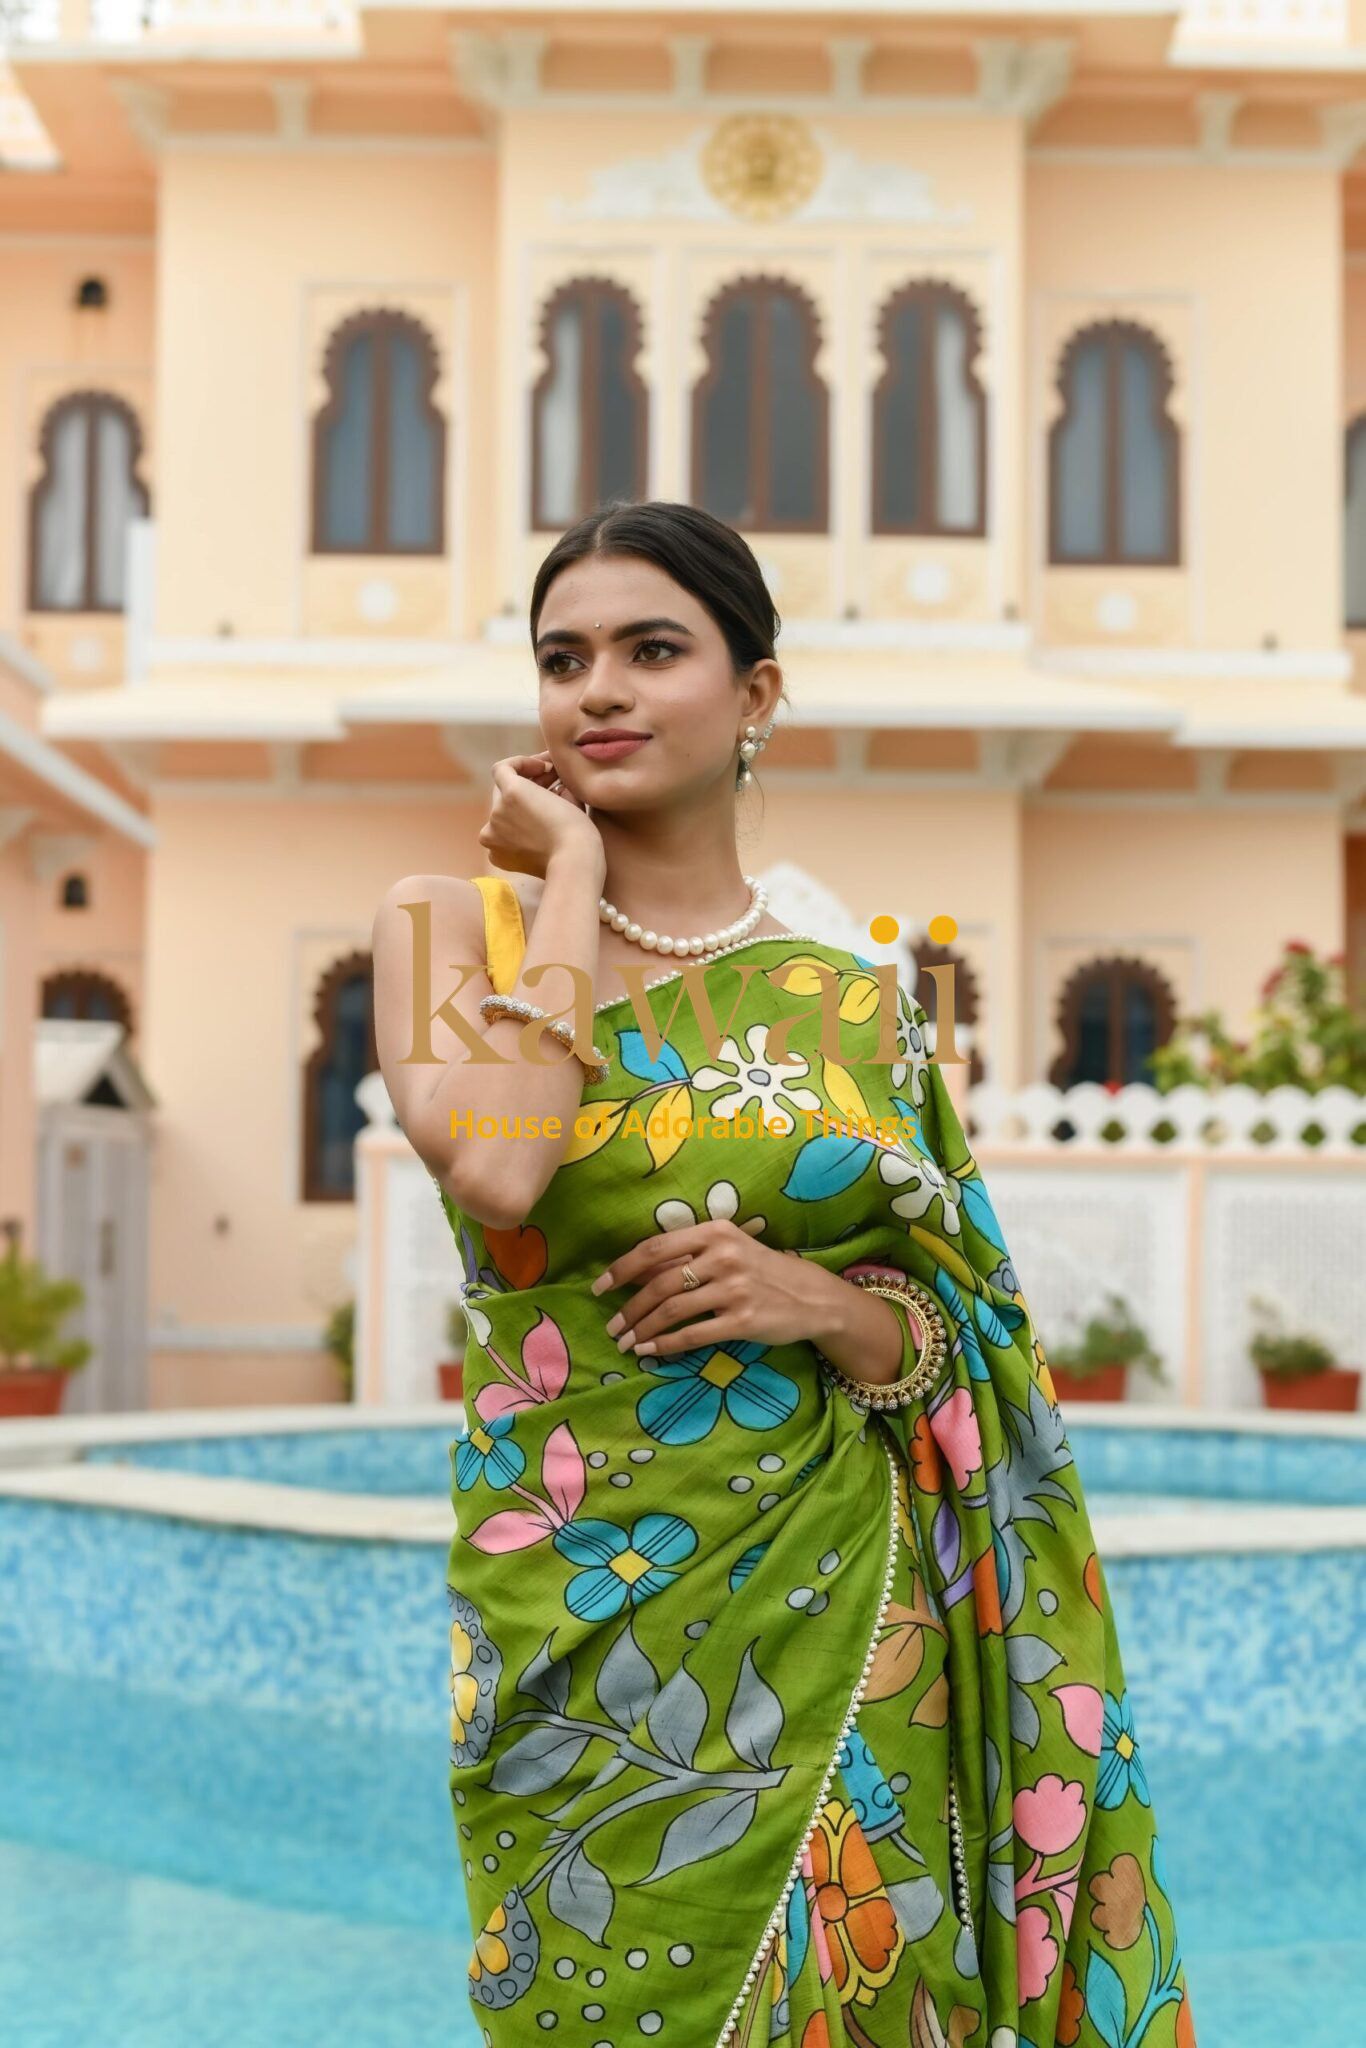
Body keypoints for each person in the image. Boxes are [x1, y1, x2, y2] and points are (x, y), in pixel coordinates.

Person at [371, 501, 1197, 2048]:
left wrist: (827, 1307)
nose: (597, 690)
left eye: (651, 649)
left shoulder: (850, 1005)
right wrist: (562, 886)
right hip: (580, 1597)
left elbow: (966, 1330)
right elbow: (498, 1165)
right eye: (563, 659)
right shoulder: (447, 929)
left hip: (843, 1594)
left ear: (756, 695)